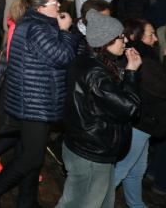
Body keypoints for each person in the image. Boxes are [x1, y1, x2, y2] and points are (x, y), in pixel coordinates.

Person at [0, 0, 77, 208]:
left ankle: (27, 200)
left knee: (32, 151)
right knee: (32, 156)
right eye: (54, 3)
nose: (59, 5)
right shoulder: (37, 27)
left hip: (34, 97)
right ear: (41, 8)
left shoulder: (36, 23)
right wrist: (65, 31)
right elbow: (61, 57)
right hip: (34, 101)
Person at [56, 10, 141, 208]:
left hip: (90, 148)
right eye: (121, 37)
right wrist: (131, 74)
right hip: (91, 154)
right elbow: (130, 108)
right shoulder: (97, 74)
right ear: (107, 41)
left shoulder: (87, 61)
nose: (125, 41)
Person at [114, 16, 166, 208]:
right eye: (151, 35)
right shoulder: (142, 60)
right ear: (135, 36)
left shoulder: (145, 57)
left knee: (136, 171)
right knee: (121, 170)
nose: (155, 39)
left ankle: (137, 205)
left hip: (144, 124)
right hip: (139, 124)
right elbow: (165, 88)